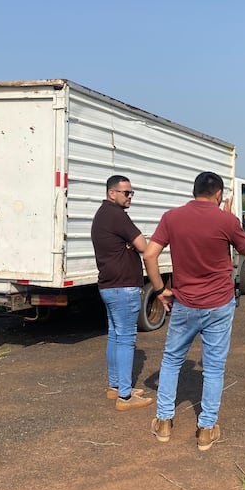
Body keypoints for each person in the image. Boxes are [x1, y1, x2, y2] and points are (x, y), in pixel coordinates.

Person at [144, 172, 245, 451]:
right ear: (218, 194)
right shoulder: (225, 220)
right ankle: (206, 428)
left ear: (194, 192)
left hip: (185, 303)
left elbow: (149, 255)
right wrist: (231, 219)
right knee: (214, 367)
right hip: (219, 303)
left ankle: (164, 422)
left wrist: (159, 290)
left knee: (171, 361)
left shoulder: (172, 217)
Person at [91, 175, 154, 411]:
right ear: (112, 193)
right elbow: (143, 246)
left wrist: (129, 244)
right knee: (127, 339)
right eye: (126, 193)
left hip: (109, 286)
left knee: (116, 336)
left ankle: (116, 386)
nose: (129, 197)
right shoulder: (117, 216)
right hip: (123, 287)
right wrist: (131, 244)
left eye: (131, 193)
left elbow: (132, 244)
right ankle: (125, 397)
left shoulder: (102, 214)